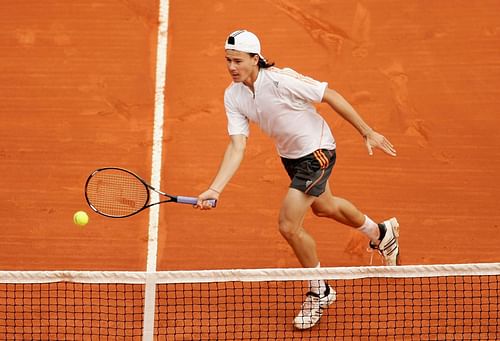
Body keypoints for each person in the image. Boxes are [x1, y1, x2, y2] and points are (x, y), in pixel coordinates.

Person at [195, 29, 400, 330]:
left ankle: (320, 290)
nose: (231, 67)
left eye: (238, 61)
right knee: (325, 206)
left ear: (255, 58)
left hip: (317, 151)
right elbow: (237, 145)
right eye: (228, 60)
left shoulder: (280, 80)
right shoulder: (233, 95)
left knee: (288, 225)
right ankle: (381, 232)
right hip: (290, 157)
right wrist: (216, 187)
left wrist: (366, 130)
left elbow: (329, 95)